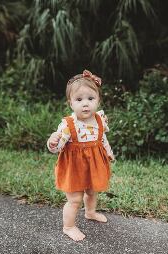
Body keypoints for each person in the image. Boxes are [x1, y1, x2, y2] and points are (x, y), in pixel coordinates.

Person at [47, 70, 115, 241]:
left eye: (90, 99)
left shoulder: (99, 120)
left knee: (92, 191)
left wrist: (109, 152)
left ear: (98, 101)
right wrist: (53, 142)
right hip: (74, 167)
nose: (85, 104)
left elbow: (102, 138)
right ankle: (68, 226)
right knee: (75, 199)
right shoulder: (69, 125)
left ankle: (90, 212)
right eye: (79, 99)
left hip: (94, 163)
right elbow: (57, 148)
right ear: (70, 103)